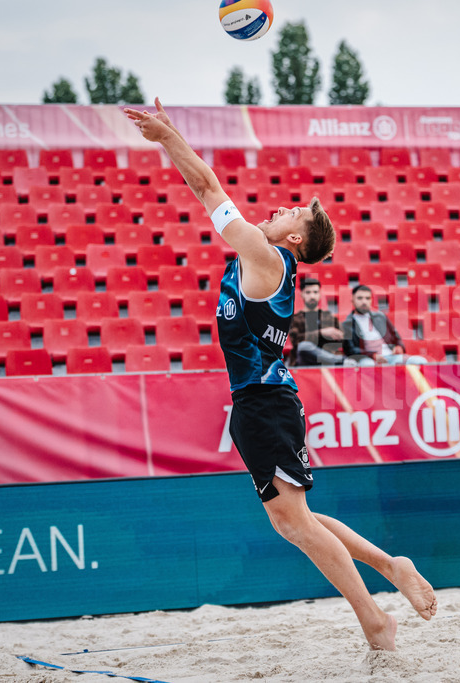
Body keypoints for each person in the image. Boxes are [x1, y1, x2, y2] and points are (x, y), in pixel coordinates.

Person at [125, 98, 436, 651]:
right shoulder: (262, 260)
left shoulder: (267, 259)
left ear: (296, 240)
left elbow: (207, 189)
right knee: (298, 519)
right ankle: (391, 566)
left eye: (291, 213)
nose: (278, 210)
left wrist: (168, 138)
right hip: (260, 403)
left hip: (266, 404)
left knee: (293, 523)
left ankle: (373, 618)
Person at [342, 285, 427, 366]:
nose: (364, 302)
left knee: (420, 361)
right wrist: (373, 355)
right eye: (360, 298)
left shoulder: (380, 317)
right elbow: (351, 350)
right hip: (368, 358)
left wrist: (399, 347)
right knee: (368, 365)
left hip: (391, 356)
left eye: (367, 298)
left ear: (371, 300)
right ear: (352, 300)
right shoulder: (347, 324)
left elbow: (396, 337)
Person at [287, 277, 348, 366]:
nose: (312, 296)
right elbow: (296, 341)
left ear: (320, 294)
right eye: (308, 292)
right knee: (304, 346)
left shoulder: (329, 317)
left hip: (327, 359)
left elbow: (343, 338)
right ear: (301, 294)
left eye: (315, 292)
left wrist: (340, 336)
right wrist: (322, 333)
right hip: (305, 362)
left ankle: (336, 360)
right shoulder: (295, 318)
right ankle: (339, 360)